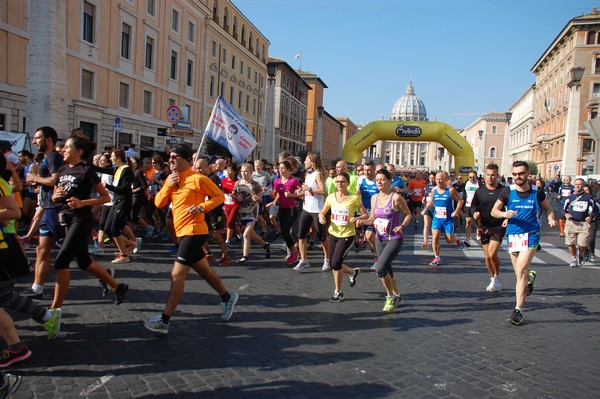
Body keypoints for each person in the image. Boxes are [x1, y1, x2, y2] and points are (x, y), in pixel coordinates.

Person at [141, 144, 237, 335]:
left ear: (186, 159)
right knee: (204, 271)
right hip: (182, 231)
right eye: (170, 157)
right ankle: (228, 297)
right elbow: (159, 202)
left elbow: (218, 196)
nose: (171, 160)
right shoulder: (171, 178)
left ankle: (164, 320)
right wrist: (168, 186)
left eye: (175, 157)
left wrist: (202, 207)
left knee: (177, 275)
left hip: (195, 231)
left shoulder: (197, 179)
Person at [49, 136, 129, 311]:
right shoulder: (62, 170)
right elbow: (54, 197)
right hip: (67, 219)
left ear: (78, 152)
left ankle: (54, 311)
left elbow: (105, 197)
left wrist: (82, 202)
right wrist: (56, 196)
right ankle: (117, 286)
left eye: (67, 147)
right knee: (84, 262)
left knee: (61, 263)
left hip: (81, 219)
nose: (62, 149)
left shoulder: (86, 171)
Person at [491, 161, 556, 326]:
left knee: (520, 269)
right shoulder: (507, 191)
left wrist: (551, 217)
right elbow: (494, 211)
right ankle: (530, 279)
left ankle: (518, 310)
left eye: (521, 174)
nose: (518, 177)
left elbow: (548, 208)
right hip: (513, 236)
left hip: (531, 235)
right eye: (515, 174)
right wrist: (505, 214)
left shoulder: (537, 192)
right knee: (520, 274)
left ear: (528, 174)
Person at [357, 169, 412, 312]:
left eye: (382, 179)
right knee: (387, 269)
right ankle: (397, 295)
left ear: (389, 181)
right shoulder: (374, 198)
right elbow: (372, 219)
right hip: (379, 238)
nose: (379, 182)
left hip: (394, 238)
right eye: (377, 180)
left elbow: (408, 215)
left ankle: (390, 297)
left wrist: (402, 226)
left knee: (380, 268)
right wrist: (360, 222)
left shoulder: (396, 198)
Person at [22, 127, 64, 300]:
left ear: (48, 140)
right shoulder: (48, 158)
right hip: (47, 208)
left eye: (37, 138)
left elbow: (56, 179)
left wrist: (35, 179)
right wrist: (40, 184)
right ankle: (37, 288)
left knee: (70, 251)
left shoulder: (53, 156)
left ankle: (106, 274)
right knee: (41, 250)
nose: (34, 141)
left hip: (54, 209)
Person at [318, 172, 368, 303]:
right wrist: (322, 217)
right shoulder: (330, 197)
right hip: (333, 233)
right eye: (337, 182)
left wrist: (357, 218)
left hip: (347, 235)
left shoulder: (354, 198)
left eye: (342, 182)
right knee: (335, 263)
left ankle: (338, 292)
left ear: (347, 183)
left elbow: (365, 215)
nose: (339, 184)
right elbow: (322, 212)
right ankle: (352, 272)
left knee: (335, 263)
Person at [471, 163, 506, 292]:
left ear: (497, 176)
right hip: (484, 226)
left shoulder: (503, 190)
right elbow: (474, 205)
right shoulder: (480, 191)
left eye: (493, 175)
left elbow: (511, 207)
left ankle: (497, 276)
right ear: (485, 175)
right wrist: (475, 212)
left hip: (498, 226)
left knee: (492, 254)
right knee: (487, 257)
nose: (490, 177)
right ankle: (493, 278)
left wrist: (507, 218)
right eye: (488, 175)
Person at [293, 152, 329, 271]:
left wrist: (308, 188)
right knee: (301, 235)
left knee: (322, 237)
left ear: (312, 161)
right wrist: (300, 192)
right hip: (306, 208)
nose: (304, 162)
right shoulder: (308, 175)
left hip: (317, 210)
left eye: (306, 160)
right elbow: (308, 191)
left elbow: (323, 191)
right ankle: (304, 260)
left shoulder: (318, 175)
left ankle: (327, 259)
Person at [420, 171, 465, 266]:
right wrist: (425, 209)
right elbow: (432, 202)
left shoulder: (451, 190)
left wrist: (456, 212)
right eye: (437, 179)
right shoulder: (434, 190)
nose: (438, 181)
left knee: (449, 240)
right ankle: (437, 257)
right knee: (435, 238)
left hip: (448, 219)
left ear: (445, 180)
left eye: (441, 179)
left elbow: (460, 201)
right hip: (437, 218)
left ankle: (456, 238)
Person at [232, 163, 271, 265]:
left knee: (246, 235)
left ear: (251, 172)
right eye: (242, 171)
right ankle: (265, 245)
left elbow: (261, 198)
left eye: (246, 171)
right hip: (242, 212)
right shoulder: (238, 184)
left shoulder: (255, 185)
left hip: (252, 212)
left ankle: (245, 257)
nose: (243, 173)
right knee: (252, 235)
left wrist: (257, 198)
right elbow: (233, 194)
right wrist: (237, 197)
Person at [267, 161, 301, 265]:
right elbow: (277, 194)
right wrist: (273, 201)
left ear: (288, 169)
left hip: (292, 208)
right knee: (283, 232)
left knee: (286, 231)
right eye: (279, 168)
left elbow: (301, 193)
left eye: (282, 168)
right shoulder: (277, 181)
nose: (280, 170)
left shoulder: (293, 181)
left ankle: (295, 252)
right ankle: (294, 251)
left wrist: (291, 195)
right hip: (282, 209)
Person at [563, 178, 598, 267]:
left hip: (583, 224)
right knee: (570, 243)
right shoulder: (570, 197)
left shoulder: (588, 198)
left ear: (583, 185)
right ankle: (573, 259)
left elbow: (596, 209)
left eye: (580, 184)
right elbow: (563, 210)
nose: (578, 186)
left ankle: (581, 253)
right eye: (576, 184)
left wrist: (590, 217)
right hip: (571, 223)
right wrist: (566, 215)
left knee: (583, 244)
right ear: (574, 185)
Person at [462, 171, 481, 246]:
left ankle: (479, 229)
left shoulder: (479, 184)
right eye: (470, 177)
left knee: (476, 221)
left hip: (476, 206)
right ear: (468, 177)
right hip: (468, 205)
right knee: (468, 222)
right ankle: (468, 239)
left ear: (476, 177)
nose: (472, 178)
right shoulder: (466, 184)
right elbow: (464, 195)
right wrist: (461, 208)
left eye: (473, 177)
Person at [421, 172, 436, 249]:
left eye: (433, 178)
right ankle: (425, 242)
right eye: (430, 178)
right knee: (426, 225)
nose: (431, 180)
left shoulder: (437, 187)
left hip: (435, 208)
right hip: (427, 206)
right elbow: (425, 195)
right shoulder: (426, 186)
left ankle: (434, 240)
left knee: (434, 226)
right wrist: (423, 199)